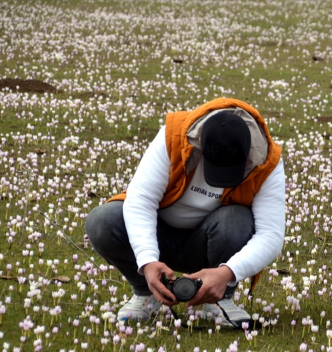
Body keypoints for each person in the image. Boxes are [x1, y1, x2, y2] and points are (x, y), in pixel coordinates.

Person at [85, 98, 285, 327]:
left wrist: (228, 273)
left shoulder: (266, 160)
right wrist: (148, 260)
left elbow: (271, 235)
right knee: (103, 221)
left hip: (215, 242)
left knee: (237, 220)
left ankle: (219, 299)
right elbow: (141, 200)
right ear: (198, 140)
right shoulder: (174, 137)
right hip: (160, 237)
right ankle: (146, 291)